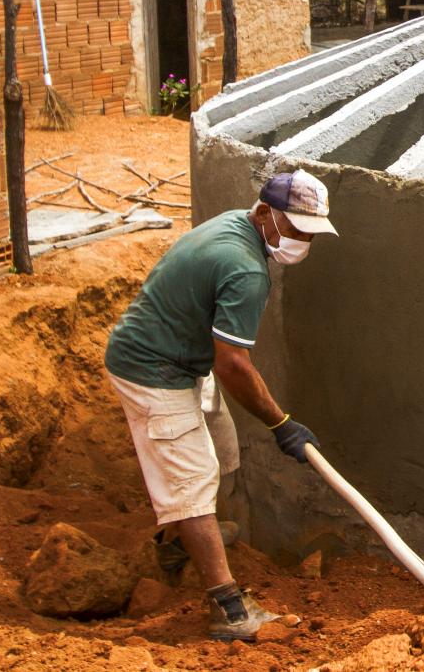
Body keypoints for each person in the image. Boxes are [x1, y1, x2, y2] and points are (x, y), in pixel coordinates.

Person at [103, 169, 337, 641]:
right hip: (152, 369)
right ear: (267, 214)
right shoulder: (246, 269)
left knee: (222, 454)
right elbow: (232, 365)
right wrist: (281, 423)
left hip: (185, 361)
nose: (303, 242)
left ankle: (177, 546)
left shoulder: (239, 224)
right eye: (296, 229)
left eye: (311, 233)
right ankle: (228, 609)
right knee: (189, 481)